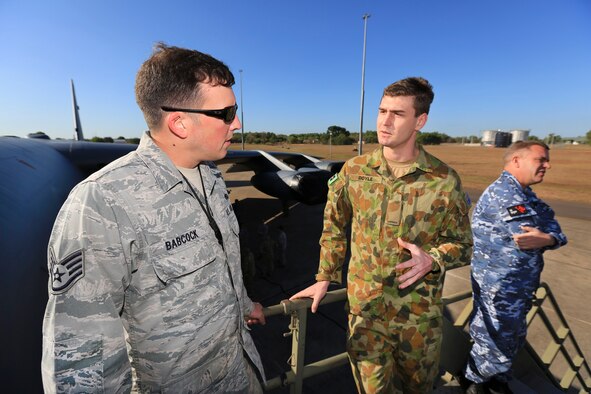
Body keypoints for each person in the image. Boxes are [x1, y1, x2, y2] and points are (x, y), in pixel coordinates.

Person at [42, 43, 266, 393]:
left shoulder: (210, 179)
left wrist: (244, 304)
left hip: (241, 374)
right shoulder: (103, 203)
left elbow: (219, 262)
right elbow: (82, 357)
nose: (236, 123)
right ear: (179, 123)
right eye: (226, 113)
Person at [290, 77, 473, 393]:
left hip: (419, 323)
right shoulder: (354, 171)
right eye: (381, 110)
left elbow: (463, 244)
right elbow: (334, 227)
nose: (384, 122)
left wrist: (433, 259)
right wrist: (325, 276)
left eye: (397, 114)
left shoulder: (444, 180)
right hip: (366, 317)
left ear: (420, 120)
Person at [461, 141, 567, 394]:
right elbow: (528, 235)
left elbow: (552, 229)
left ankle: (496, 379)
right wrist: (548, 238)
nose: (547, 165)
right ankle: (476, 383)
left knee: (511, 338)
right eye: (540, 159)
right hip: (500, 289)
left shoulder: (524, 194)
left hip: (515, 287)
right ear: (516, 161)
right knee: (495, 340)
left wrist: (550, 238)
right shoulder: (506, 195)